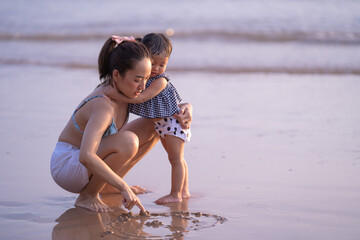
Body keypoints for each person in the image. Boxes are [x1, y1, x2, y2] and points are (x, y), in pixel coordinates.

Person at [50, 35, 193, 213]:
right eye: (137, 79)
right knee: (128, 141)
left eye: (146, 79)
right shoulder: (103, 105)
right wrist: (124, 186)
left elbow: (161, 108)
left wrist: (186, 107)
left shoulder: (126, 91)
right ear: (117, 75)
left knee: (154, 126)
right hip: (67, 166)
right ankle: (88, 196)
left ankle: (108, 186)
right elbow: (86, 156)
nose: (142, 86)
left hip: (84, 163)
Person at [107, 33, 191, 204]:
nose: (157, 68)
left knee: (176, 159)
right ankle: (184, 191)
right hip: (162, 125)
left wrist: (115, 95)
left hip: (173, 123)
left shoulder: (160, 81)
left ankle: (177, 194)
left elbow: (142, 97)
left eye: (162, 64)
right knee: (175, 158)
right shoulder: (147, 78)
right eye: (153, 63)